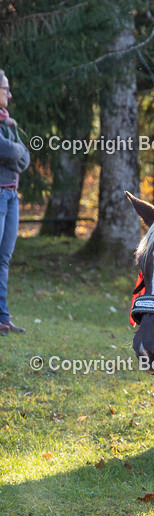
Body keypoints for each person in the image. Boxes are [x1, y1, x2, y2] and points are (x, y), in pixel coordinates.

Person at [0, 69, 30, 336]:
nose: (9, 94)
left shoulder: (8, 123)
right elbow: (7, 150)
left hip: (10, 196)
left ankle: (3, 317)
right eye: (5, 88)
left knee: (4, 257)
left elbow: (23, 158)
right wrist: (14, 151)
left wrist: (14, 151)